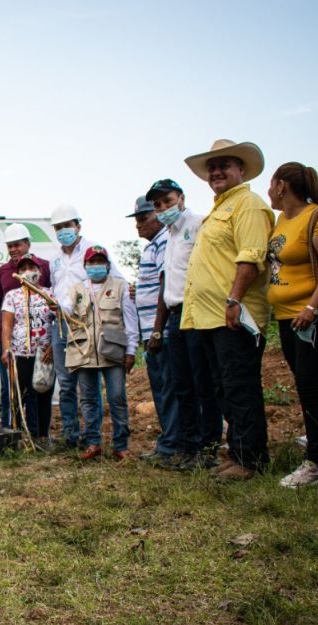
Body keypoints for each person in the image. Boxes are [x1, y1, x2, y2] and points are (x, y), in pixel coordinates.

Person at [181, 139, 274, 481]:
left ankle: (251, 459)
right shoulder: (217, 211)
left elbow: (251, 256)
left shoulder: (247, 205)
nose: (217, 172)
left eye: (224, 165)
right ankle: (237, 452)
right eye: (212, 167)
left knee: (240, 386)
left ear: (241, 170)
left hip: (234, 316)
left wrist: (234, 299)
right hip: (208, 318)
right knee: (223, 389)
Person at [264, 162, 318, 488]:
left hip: (309, 317)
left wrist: (312, 306)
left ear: (281, 185)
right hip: (285, 317)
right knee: (305, 385)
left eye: (271, 184)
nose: (269, 192)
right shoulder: (282, 220)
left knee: (312, 387)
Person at [145, 179, 224, 470]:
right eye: (158, 205)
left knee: (203, 385)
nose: (163, 208)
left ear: (181, 197)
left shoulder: (200, 223)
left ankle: (209, 448)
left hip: (198, 313)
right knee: (182, 386)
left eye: (167, 201)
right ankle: (189, 448)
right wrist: (159, 326)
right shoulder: (170, 235)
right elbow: (168, 283)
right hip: (175, 316)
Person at [60, 246, 137, 461]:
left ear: (108, 265)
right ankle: (93, 443)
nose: (95, 266)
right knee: (89, 399)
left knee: (117, 397)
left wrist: (130, 351)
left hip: (113, 351)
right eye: (91, 263)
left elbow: (130, 322)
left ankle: (120, 445)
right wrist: (56, 306)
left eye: (99, 262)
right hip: (84, 351)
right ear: (85, 267)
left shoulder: (121, 288)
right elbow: (65, 309)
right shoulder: (75, 290)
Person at [126, 196, 179, 464]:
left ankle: (172, 446)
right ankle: (169, 442)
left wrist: (158, 330)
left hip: (161, 332)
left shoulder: (164, 242)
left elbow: (165, 284)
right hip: (150, 331)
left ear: (157, 215)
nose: (138, 225)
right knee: (161, 388)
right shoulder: (151, 246)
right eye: (136, 220)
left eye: (142, 218)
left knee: (168, 388)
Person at [48, 204, 100, 449]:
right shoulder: (54, 260)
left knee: (87, 384)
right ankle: (70, 436)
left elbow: (112, 280)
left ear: (78, 225)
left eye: (67, 226)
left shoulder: (93, 250)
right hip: (59, 326)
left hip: (83, 324)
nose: (63, 231)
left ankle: (92, 437)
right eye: (58, 227)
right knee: (65, 383)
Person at [0, 223, 51, 428]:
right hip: (10, 342)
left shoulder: (44, 265)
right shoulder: (2, 271)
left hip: (40, 344)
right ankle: (10, 429)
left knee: (40, 387)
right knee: (10, 387)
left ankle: (38, 432)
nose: (13, 249)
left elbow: (52, 302)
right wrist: (7, 342)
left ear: (28, 243)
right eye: (9, 246)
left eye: (17, 245)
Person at [0, 255, 55, 440]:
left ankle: (41, 435)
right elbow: (7, 324)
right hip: (20, 353)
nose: (28, 272)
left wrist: (53, 348)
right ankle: (17, 434)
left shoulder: (50, 294)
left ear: (40, 272)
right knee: (18, 395)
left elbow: (59, 323)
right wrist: (6, 349)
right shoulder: (12, 296)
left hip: (44, 354)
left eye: (32, 268)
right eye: (23, 269)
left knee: (42, 393)